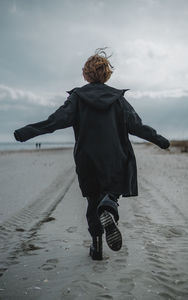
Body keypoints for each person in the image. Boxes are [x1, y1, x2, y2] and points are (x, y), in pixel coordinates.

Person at [14, 48, 170, 260]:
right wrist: (160, 140)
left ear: (86, 74)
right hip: (115, 156)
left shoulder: (77, 97)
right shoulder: (117, 99)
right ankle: (109, 207)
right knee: (111, 193)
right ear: (107, 75)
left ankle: (96, 248)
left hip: (86, 158)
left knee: (92, 201)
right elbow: (137, 126)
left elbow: (55, 121)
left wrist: (27, 132)